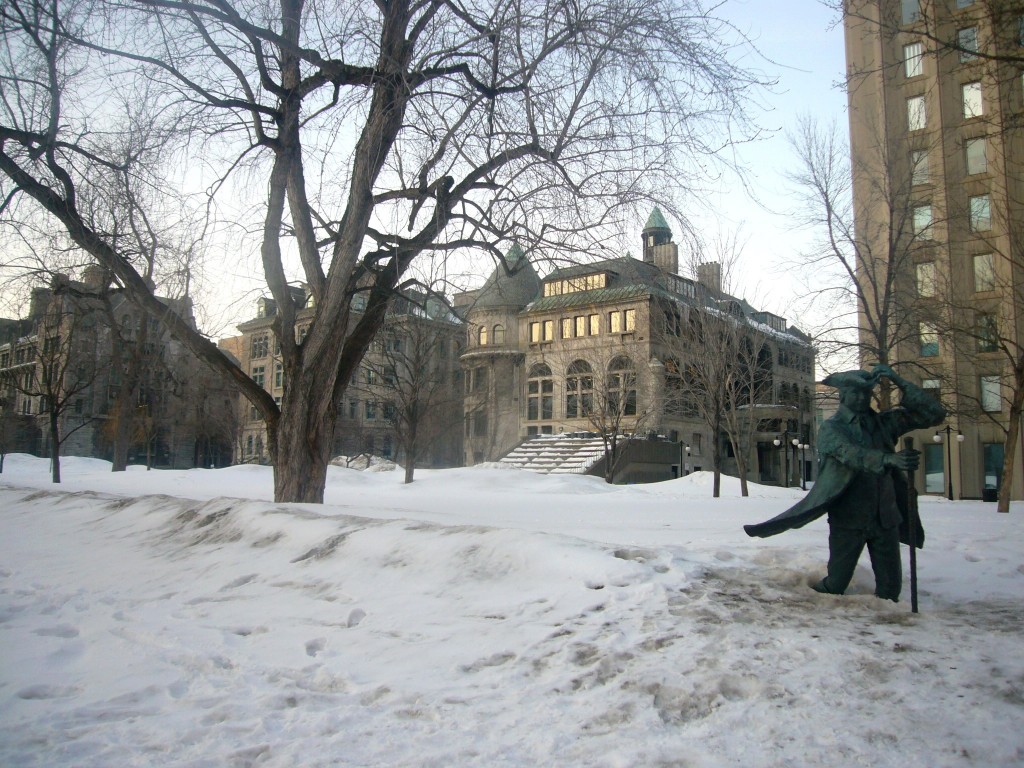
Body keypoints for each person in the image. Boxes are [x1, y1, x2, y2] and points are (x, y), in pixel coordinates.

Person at [744, 364, 946, 601]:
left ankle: (884, 631)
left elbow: (933, 414)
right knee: (836, 584)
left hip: (885, 515)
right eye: (856, 393)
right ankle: (820, 607)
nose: (862, 398)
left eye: (866, 393)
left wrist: (898, 381)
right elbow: (852, 455)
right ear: (843, 395)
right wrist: (890, 459)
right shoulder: (831, 429)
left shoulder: (885, 423)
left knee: (891, 591)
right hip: (850, 517)